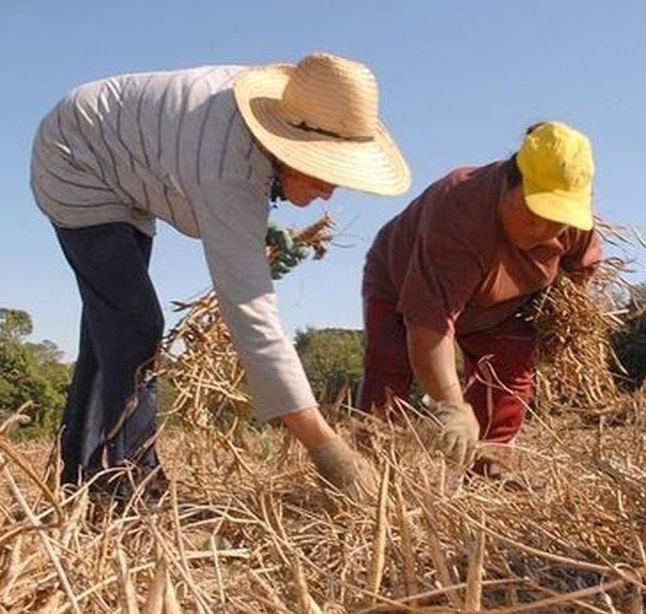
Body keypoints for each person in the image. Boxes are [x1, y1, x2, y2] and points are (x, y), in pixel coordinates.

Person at [30, 52, 411, 500]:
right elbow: (252, 315)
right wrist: (327, 448)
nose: (331, 189)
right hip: (76, 158)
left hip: (121, 158)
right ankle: (132, 485)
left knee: (111, 330)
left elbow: (221, 181)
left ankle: (85, 478)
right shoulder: (226, 165)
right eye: (325, 170)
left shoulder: (268, 123)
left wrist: (257, 226)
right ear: (287, 143)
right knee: (133, 326)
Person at [358, 122, 603, 473]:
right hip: (401, 283)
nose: (546, 232)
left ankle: (490, 468)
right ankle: (370, 470)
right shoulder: (460, 210)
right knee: (389, 368)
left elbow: (578, 273)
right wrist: (451, 406)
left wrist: (554, 319)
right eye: (535, 215)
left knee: (511, 365)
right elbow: (429, 323)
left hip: (501, 304)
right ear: (509, 181)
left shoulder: (576, 225)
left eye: (558, 222)